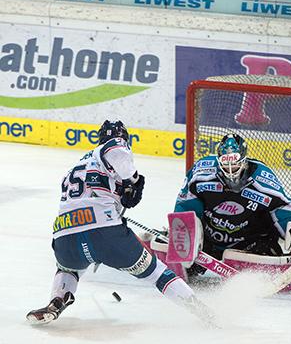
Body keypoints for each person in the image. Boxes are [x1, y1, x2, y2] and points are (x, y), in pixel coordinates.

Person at [27, 120, 212, 325]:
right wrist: (132, 179)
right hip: (105, 233)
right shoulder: (113, 146)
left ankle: (57, 300)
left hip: (64, 236)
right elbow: (118, 152)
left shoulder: (78, 165)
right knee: (157, 273)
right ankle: (203, 312)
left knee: (68, 269)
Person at [174, 133, 291, 264]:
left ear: (244, 160)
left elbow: (284, 209)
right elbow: (185, 204)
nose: (230, 170)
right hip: (208, 242)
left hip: (250, 245)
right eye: (225, 164)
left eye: (234, 164)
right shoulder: (201, 173)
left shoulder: (263, 180)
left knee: (263, 271)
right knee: (186, 267)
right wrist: (183, 235)